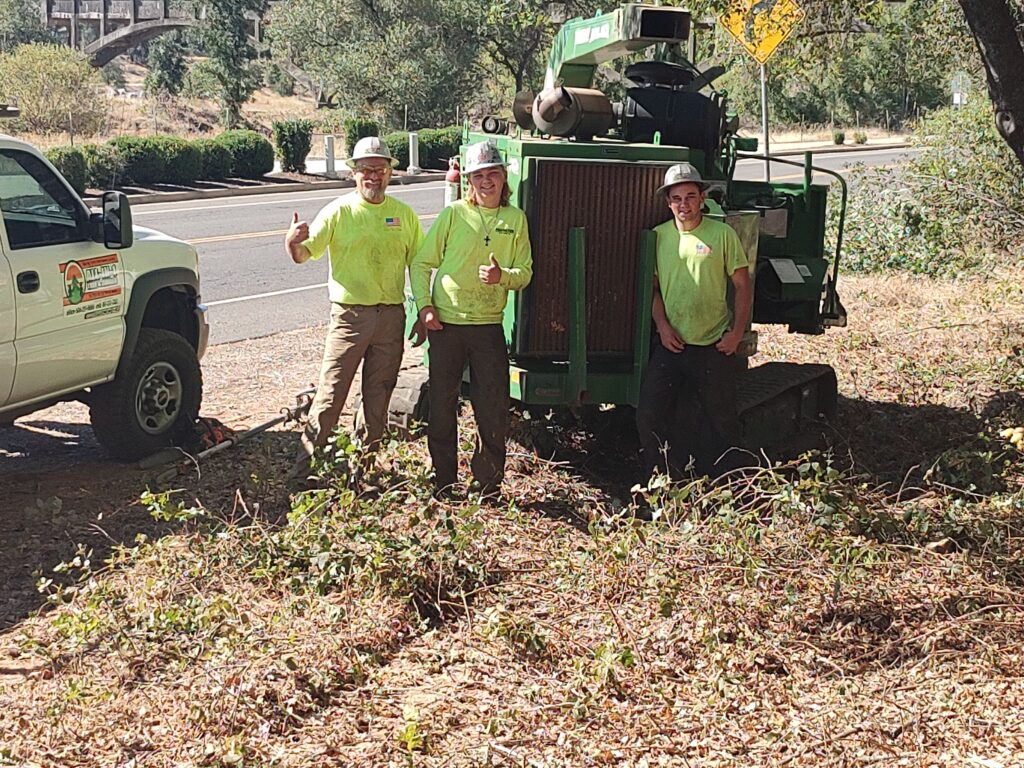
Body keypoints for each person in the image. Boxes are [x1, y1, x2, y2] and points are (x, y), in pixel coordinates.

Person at [285, 136, 423, 479]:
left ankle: (362, 473)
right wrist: (291, 242)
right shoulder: (338, 210)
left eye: (379, 169)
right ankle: (305, 475)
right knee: (331, 396)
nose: (373, 176)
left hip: (391, 318)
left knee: (377, 400)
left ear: (391, 172)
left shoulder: (403, 215)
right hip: (349, 318)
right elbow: (305, 253)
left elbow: (418, 265)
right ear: (354, 174)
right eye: (365, 170)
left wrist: (424, 308)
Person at [410, 140, 533, 498]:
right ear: (468, 181)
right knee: (443, 405)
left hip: (488, 326)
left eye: (491, 174)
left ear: (502, 178)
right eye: (477, 176)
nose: (485, 182)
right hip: (446, 325)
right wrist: (425, 306)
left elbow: (525, 272)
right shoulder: (454, 215)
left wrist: (502, 277)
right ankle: (444, 482)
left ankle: (487, 485)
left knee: (493, 406)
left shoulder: (515, 219)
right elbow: (422, 263)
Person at [636, 162, 752, 479]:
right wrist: (662, 326)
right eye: (677, 198)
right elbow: (653, 289)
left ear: (702, 198)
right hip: (674, 346)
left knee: (722, 421)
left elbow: (743, 285)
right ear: (668, 202)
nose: (683, 204)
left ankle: (734, 485)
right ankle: (661, 484)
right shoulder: (659, 237)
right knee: (649, 414)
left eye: (690, 196)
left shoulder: (722, 234)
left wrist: (736, 333)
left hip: (714, 345)